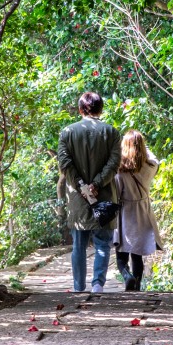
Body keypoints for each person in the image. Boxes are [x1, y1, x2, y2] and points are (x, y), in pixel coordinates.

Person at [57, 92, 122, 293]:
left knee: (78, 244)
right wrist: (96, 183)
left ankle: (78, 287)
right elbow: (114, 163)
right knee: (103, 243)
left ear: (80, 110)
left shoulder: (67, 132)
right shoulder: (111, 132)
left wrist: (81, 186)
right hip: (103, 197)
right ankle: (97, 285)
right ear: (100, 109)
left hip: (77, 198)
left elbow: (65, 164)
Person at [113, 130, 164, 291]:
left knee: (121, 256)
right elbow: (154, 157)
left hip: (124, 214)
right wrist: (141, 147)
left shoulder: (119, 170)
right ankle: (137, 287)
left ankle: (127, 277)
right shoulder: (150, 166)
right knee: (137, 256)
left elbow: (116, 192)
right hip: (143, 212)